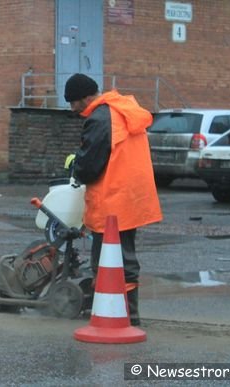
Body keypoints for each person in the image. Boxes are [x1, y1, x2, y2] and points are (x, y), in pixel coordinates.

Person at [64, 73, 163, 326]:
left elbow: (90, 163)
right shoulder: (123, 111)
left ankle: (121, 313)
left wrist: (77, 168)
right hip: (131, 194)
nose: (73, 109)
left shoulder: (100, 118)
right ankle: (124, 311)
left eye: (74, 102)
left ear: (86, 97)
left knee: (109, 258)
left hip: (113, 196)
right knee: (123, 254)